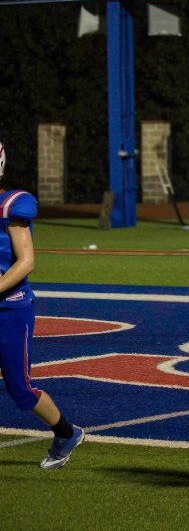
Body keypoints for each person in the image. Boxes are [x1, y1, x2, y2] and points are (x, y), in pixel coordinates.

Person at [0, 141, 86, 470]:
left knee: (20, 388)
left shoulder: (12, 206)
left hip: (10, 308)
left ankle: (66, 433)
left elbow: (26, 262)